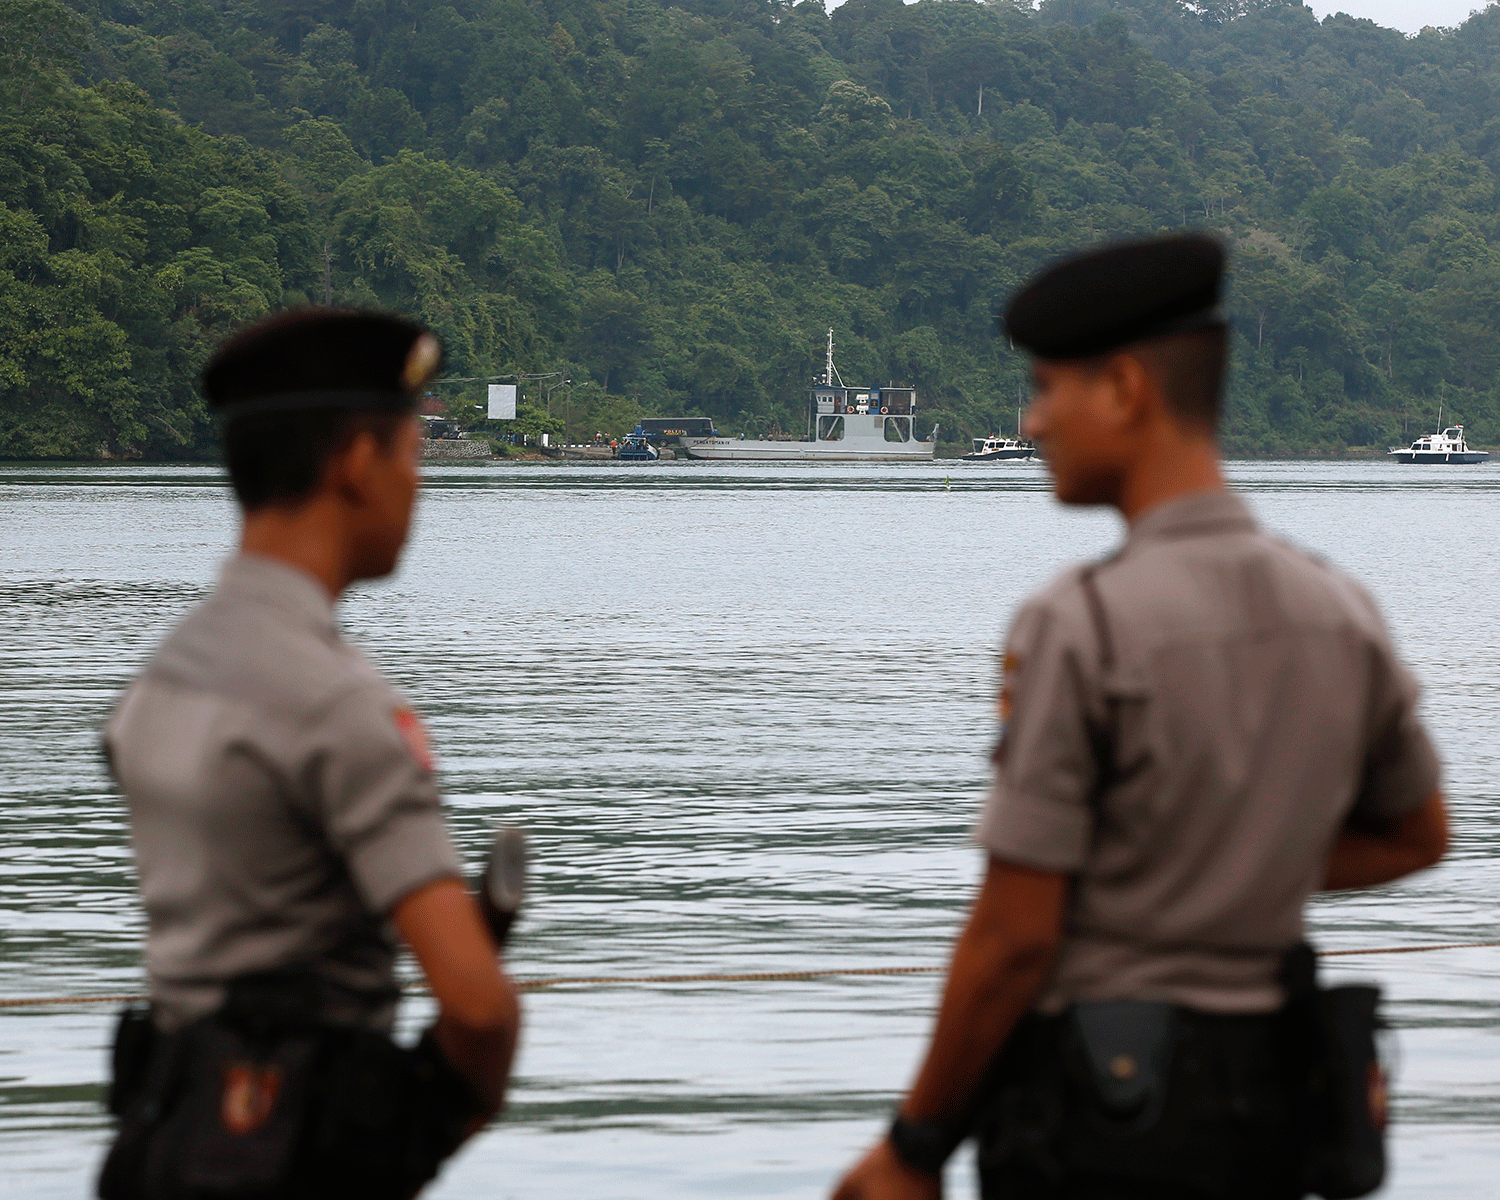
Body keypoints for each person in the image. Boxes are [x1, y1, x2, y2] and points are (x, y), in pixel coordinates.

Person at [832, 233, 1448, 1200]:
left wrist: (913, 1148)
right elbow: (1418, 835)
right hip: (1276, 1113)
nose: (1032, 425)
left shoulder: (1081, 627)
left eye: (1046, 390)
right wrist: (1245, 871)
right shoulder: (1340, 610)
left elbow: (1015, 934)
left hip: (1103, 1114)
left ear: (1124, 389)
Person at [99, 310, 520, 1199]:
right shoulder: (337, 703)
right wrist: (440, 1117)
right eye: (411, 456)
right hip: (299, 1160)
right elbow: (478, 1008)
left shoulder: (159, 681)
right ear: (357, 463)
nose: (418, 487)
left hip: (167, 1147)